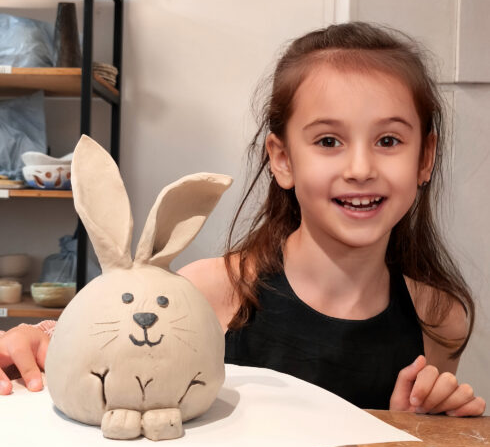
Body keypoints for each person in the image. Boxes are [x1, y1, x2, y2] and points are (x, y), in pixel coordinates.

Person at [0, 23, 485, 416]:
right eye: (328, 142)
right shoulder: (210, 291)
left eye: (388, 141)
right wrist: (39, 341)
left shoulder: (440, 319)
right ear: (283, 159)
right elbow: (99, 361)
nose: (360, 169)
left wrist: (421, 422)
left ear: (425, 157)